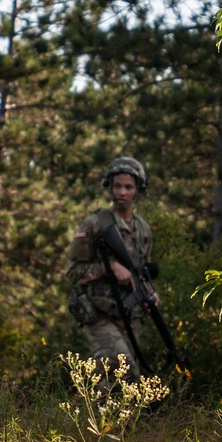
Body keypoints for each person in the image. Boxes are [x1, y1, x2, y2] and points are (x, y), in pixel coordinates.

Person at [65, 156, 156, 388]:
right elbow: (72, 272)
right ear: (109, 187)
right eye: (117, 186)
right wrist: (108, 268)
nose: (122, 192)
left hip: (129, 316)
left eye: (128, 187)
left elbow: (140, 272)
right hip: (99, 313)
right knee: (124, 367)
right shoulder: (96, 224)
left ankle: (91, 420)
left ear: (138, 190)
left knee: (116, 385)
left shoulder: (142, 228)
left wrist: (149, 294)